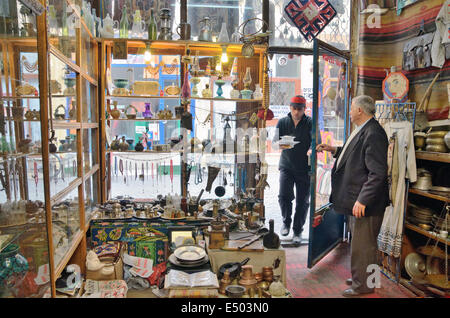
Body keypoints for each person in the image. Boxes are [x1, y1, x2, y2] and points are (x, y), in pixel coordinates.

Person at [316, 95, 389, 297]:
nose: (348, 111)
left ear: (360, 111)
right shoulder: (363, 129)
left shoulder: (373, 133)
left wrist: (363, 199)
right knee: (366, 245)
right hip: (357, 200)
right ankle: (367, 279)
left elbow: (378, 173)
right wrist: (334, 150)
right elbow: (354, 156)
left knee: (363, 246)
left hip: (366, 203)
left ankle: (362, 285)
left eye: (351, 108)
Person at [274, 95, 317, 245]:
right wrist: (285, 144)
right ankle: (286, 222)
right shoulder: (282, 122)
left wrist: (312, 150)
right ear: (290, 108)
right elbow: (275, 143)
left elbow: (315, 141)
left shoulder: (310, 122)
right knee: (283, 195)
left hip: (304, 167)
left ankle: (298, 230)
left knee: (303, 200)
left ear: (304, 109)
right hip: (286, 165)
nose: (297, 112)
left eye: (300, 109)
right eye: (294, 109)